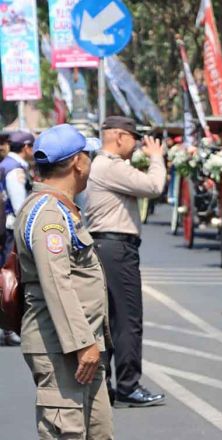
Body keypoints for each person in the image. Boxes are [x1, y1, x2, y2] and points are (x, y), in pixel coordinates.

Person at [15, 124, 112, 438]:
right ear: (77, 162)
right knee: (67, 433)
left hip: (79, 343)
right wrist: (83, 344)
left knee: (98, 432)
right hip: (63, 347)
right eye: (88, 154)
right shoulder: (49, 215)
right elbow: (56, 282)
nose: (89, 162)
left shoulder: (60, 209)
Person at [84, 116, 166, 408]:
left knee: (109, 321)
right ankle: (129, 385)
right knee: (128, 319)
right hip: (117, 248)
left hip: (107, 247)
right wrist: (156, 158)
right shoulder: (110, 166)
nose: (137, 144)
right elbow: (154, 186)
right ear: (119, 137)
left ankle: (106, 385)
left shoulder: (105, 165)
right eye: (134, 137)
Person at [0, 131, 34, 346]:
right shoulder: (15, 169)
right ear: (26, 147)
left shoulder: (8, 164)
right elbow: (21, 207)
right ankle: (8, 327)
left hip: (5, 229)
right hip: (11, 230)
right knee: (10, 278)